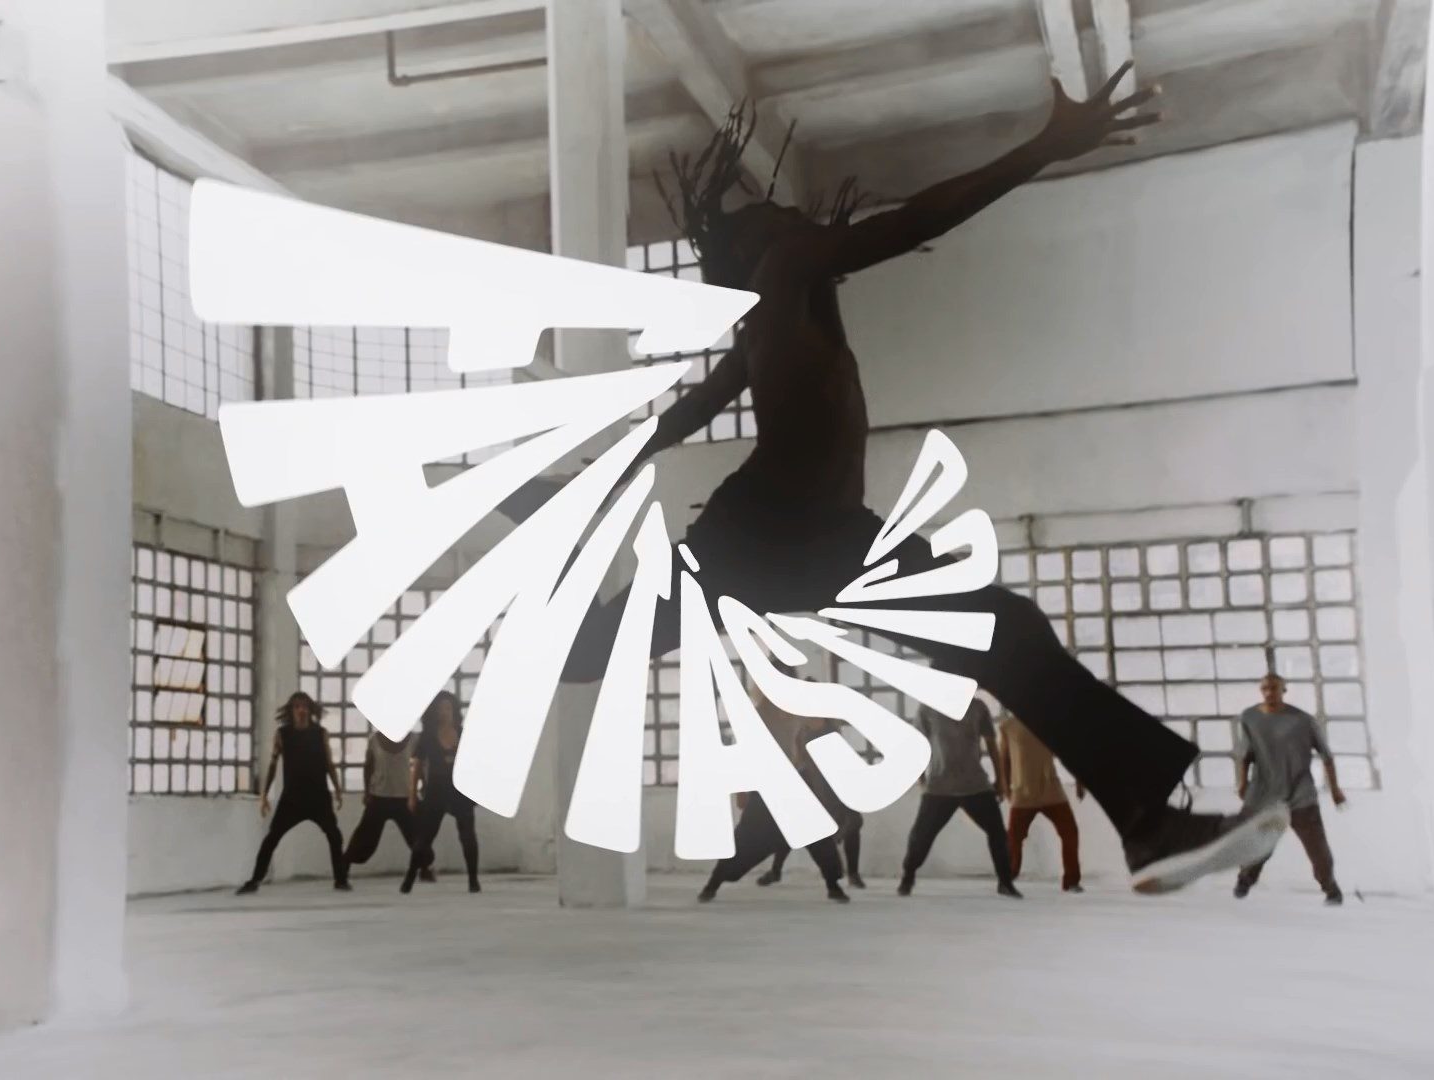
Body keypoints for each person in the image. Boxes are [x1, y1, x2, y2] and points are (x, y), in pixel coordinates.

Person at [500, 64, 1290, 894]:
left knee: (1005, 631)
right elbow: (913, 221)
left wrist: (619, 459)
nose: (784, 211)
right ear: (752, 247)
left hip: (831, 542)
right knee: (590, 654)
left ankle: (1148, 825)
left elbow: (699, 403)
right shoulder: (783, 267)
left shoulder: (780, 312)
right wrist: (1042, 149)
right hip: (761, 530)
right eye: (763, 213)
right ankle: (543, 551)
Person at [698, 682, 851, 904]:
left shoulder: (798, 712)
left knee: (819, 836)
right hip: (767, 788)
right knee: (745, 840)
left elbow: (818, 727)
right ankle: (714, 882)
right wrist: (741, 790)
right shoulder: (756, 717)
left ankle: (833, 885)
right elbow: (743, 754)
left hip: (796, 787)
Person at [1233, 674, 1347, 905]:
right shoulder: (1250, 718)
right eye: (1265, 689)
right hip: (1264, 796)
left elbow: (1327, 756)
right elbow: (1245, 755)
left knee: (1318, 850)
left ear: (1283, 690)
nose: (1269, 693)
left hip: (1300, 796)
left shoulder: (1302, 721)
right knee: (1257, 844)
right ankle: (1245, 880)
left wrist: (1335, 790)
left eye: (1274, 689)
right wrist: (1242, 783)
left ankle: (1331, 889)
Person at [899, 697, 1019, 898]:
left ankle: (1005, 882)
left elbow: (992, 745)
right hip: (940, 786)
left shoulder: (977, 707)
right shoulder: (928, 708)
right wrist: (921, 779)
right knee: (921, 836)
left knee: (998, 833)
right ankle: (908, 876)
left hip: (975, 784)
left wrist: (1001, 781)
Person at [237, 691, 350, 895]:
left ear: (310, 709)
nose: (301, 710)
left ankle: (341, 880)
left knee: (335, 836)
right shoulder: (283, 734)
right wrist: (264, 795)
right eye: (297, 707)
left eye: (304, 706)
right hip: (292, 798)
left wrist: (338, 789)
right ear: (291, 710)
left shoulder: (320, 733)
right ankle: (254, 880)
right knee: (272, 838)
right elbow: (273, 765)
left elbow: (329, 763)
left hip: (318, 797)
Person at [400, 691, 482, 894]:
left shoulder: (463, 733)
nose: (444, 712)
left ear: (454, 710)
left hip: (460, 790)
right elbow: (416, 766)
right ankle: (410, 877)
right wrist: (412, 795)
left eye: (447, 707)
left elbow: (475, 764)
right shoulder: (427, 736)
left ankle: (473, 880)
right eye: (440, 709)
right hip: (436, 790)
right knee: (424, 838)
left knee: (468, 836)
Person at [998, 705, 1085, 893]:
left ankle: (1071, 881)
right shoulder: (1008, 727)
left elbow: (1069, 754)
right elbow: (1004, 759)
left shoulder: (1049, 725)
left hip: (1050, 789)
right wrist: (1006, 789)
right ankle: (1008, 877)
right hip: (1023, 792)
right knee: (1014, 838)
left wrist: (1079, 781)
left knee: (1069, 832)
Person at [342, 729, 436, 883]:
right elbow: (368, 766)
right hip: (379, 797)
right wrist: (366, 792)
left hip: (405, 797)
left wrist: (424, 784)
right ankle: (344, 866)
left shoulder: (413, 739)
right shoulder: (374, 740)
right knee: (364, 837)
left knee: (417, 834)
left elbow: (421, 764)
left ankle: (425, 868)